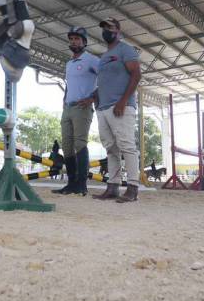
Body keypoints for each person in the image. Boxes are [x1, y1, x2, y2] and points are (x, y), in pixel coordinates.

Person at [92, 18, 142, 203]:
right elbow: (104, 82)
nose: (107, 30)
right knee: (110, 148)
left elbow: (136, 74)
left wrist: (123, 101)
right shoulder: (104, 57)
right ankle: (112, 187)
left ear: (118, 31)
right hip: (103, 108)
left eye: (110, 27)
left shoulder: (125, 49)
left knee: (127, 146)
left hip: (121, 106)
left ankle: (133, 188)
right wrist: (96, 98)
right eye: (104, 28)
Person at [54, 26, 99, 196]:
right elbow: (69, 84)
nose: (74, 42)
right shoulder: (69, 63)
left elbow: (107, 77)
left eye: (77, 39)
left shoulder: (91, 60)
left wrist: (92, 98)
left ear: (84, 42)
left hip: (82, 108)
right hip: (68, 108)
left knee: (80, 143)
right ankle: (71, 183)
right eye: (71, 39)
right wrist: (64, 99)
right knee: (66, 146)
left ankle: (82, 184)